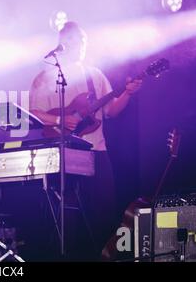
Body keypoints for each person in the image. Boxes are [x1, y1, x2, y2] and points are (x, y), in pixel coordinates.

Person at [29, 21, 141, 259]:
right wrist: (60, 121)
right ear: (63, 42)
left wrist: (128, 93)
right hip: (63, 154)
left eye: (84, 41)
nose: (81, 46)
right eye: (77, 40)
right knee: (67, 218)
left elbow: (110, 111)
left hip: (97, 153)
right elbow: (34, 113)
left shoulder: (94, 75)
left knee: (104, 213)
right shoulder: (45, 78)